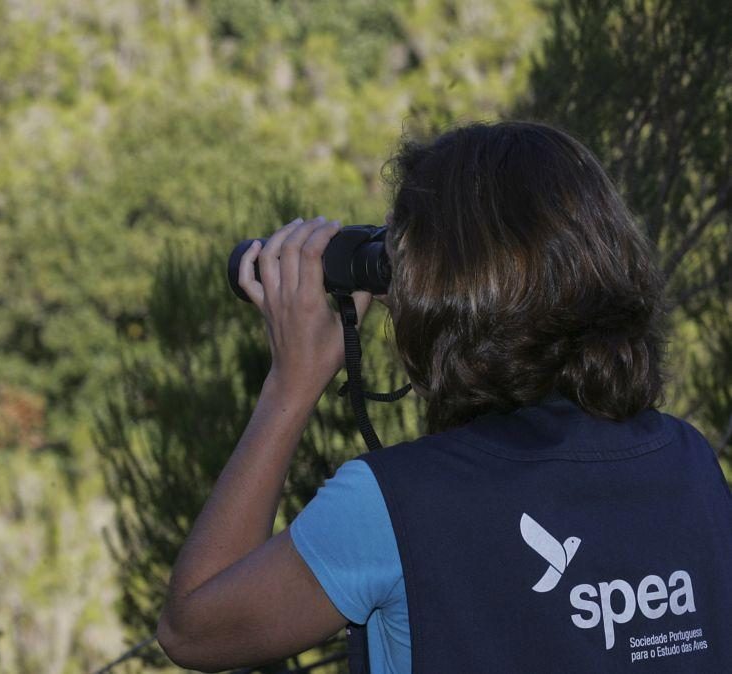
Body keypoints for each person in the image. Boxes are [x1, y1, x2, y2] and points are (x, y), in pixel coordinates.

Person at [154, 121, 732, 672]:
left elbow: (192, 627)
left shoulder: (393, 505)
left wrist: (291, 384)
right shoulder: (687, 462)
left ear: (440, 301)